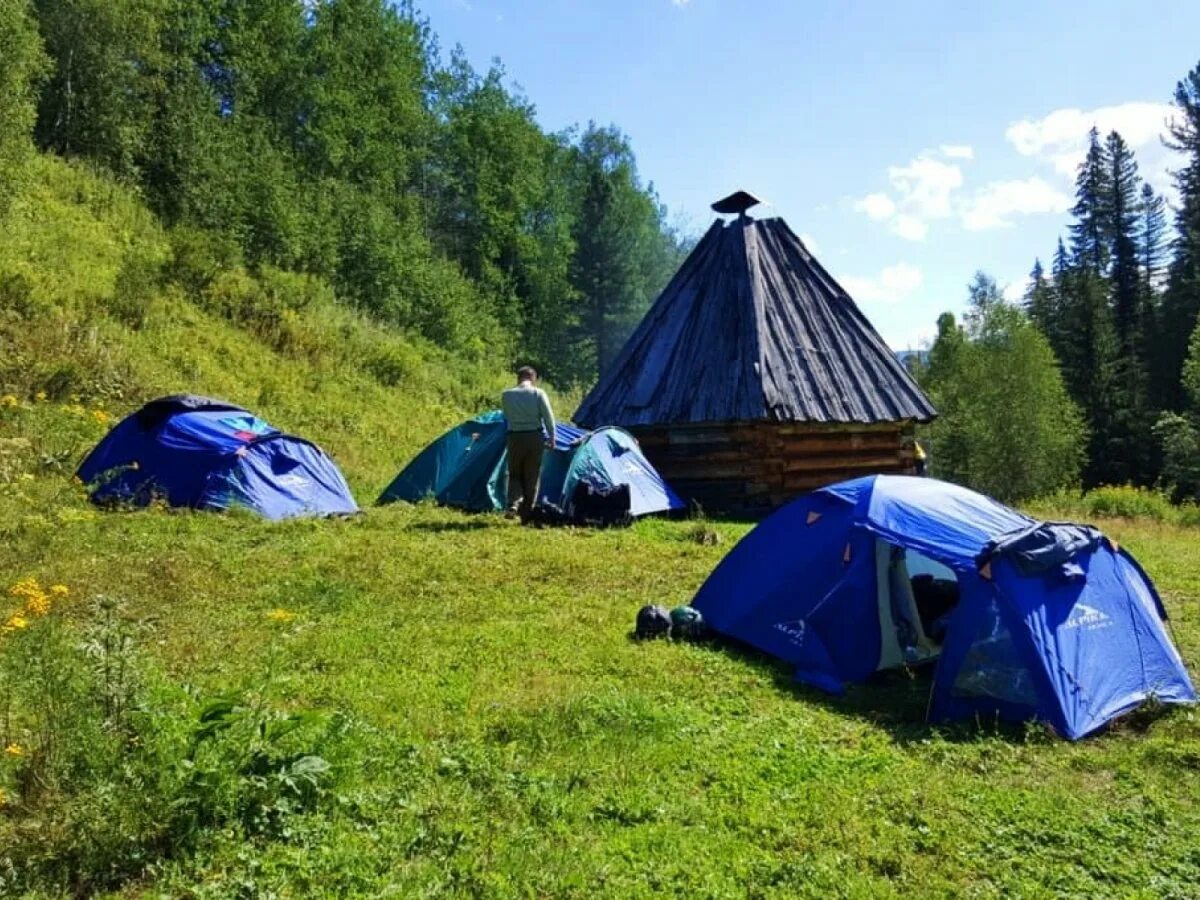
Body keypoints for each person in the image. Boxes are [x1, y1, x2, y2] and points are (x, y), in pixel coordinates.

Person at [500, 366, 556, 520]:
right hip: (534, 437)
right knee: (532, 474)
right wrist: (552, 437)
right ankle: (527, 512)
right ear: (533, 379)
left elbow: (507, 416)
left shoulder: (506, 395)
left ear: (518, 378)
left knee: (515, 473)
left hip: (515, 437)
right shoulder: (538, 393)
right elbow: (548, 417)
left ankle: (513, 503)